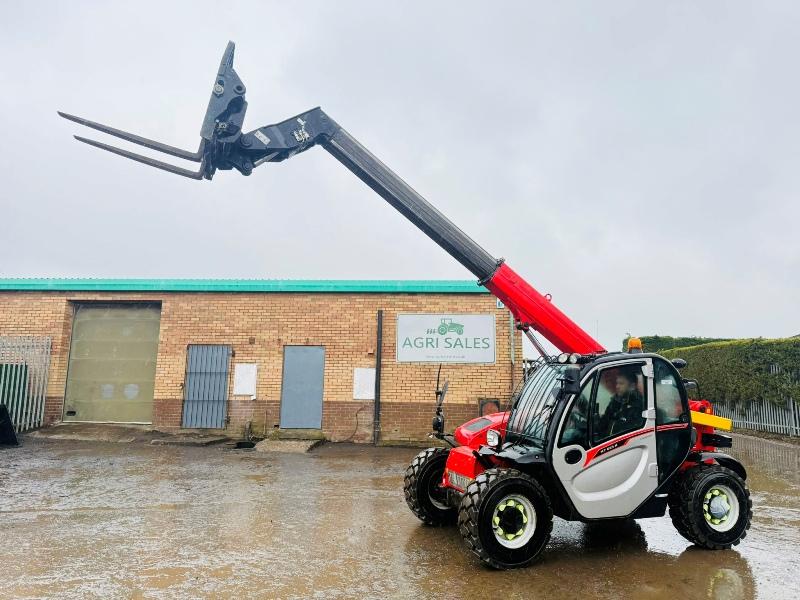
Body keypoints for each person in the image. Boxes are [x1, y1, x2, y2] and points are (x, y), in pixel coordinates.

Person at [597, 370, 645, 439]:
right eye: (617, 383)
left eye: (621, 383)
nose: (617, 386)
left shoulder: (638, 405)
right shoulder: (616, 401)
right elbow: (603, 422)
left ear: (632, 386)